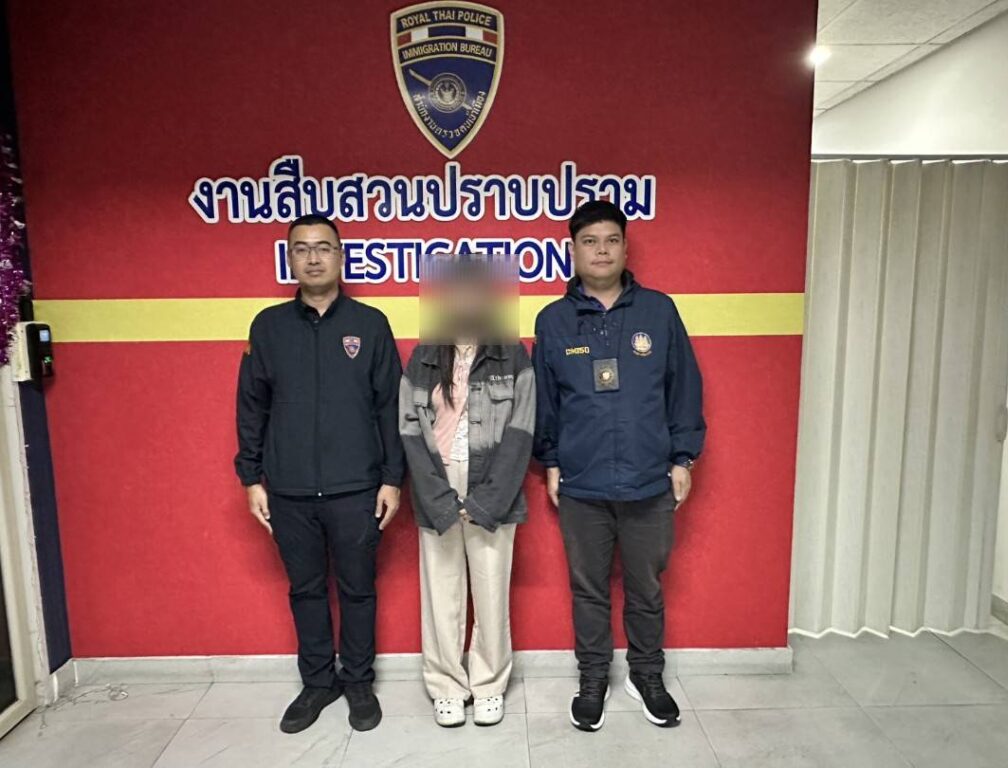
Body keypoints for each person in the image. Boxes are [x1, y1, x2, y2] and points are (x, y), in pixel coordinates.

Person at [532, 200, 706, 732]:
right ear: (573, 250)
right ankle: (593, 679)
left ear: (626, 248)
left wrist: (682, 457)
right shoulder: (554, 320)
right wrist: (551, 460)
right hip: (581, 483)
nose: (601, 250)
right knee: (587, 589)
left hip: (649, 479)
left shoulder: (658, 311)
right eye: (590, 241)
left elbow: (683, 387)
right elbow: (545, 401)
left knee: (646, 586)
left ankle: (646, 675)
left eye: (611, 240)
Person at [234, 213, 404, 734]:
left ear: (340, 256)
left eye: (323, 248)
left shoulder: (370, 324)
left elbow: (391, 406)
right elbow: (251, 406)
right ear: (290, 259)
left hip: (357, 487)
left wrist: (393, 478)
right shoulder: (268, 327)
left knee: (358, 590)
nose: (313, 258)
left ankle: (358, 682)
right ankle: (317, 683)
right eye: (302, 249)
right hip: (288, 490)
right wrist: (251, 478)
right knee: (305, 590)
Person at [400, 258, 535, 728]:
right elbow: (409, 431)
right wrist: (437, 496)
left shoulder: (512, 355)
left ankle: (489, 683)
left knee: (491, 588)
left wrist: (487, 500)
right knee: (441, 592)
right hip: (436, 482)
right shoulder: (423, 357)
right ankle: (446, 685)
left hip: (493, 484)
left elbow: (521, 431)